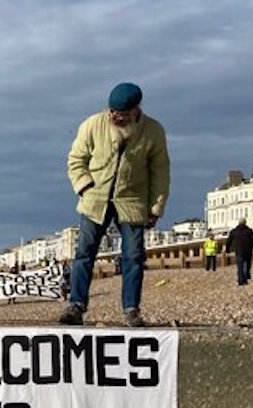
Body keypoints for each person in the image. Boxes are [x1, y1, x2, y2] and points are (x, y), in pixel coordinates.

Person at [61, 82, 171, 326]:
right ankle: (76, 305)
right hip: (95, 199)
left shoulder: (153, 131)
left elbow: (160, 171)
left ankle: (131, 309)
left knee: (133, 256)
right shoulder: (92, 125)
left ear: (135, 110)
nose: (115, 117)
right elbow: (76, 159)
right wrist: (85, 186)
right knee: (84, 254)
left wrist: (156, 208)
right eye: (112, 112)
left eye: (120, 114)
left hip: (132, 201)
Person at [224, 218, 253, 286]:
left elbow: (228, 241)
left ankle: (241, 280)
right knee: (246, 266)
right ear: (245, 223)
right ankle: (244, 279)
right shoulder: (249, 231)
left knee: (240, 266)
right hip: (248, 251)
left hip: (239, 251)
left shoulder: (234, 231)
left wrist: (227, 249)